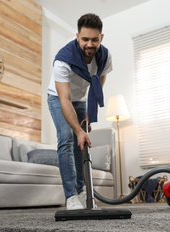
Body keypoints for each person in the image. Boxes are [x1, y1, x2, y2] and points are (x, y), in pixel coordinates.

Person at [47, 13, 113, 210]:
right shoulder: (63, 60)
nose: (89, 44)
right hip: (59, 98)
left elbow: (99, 80)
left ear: (101, 38)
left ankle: (82, 191)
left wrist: (89, 113)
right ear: (77, 37)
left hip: (81, 100)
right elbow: (65, 99)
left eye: (94, 39)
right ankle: (71, 197)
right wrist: (78, 129)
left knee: (82, 145)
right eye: (85, 39)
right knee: (67, 137)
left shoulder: (105, 55)